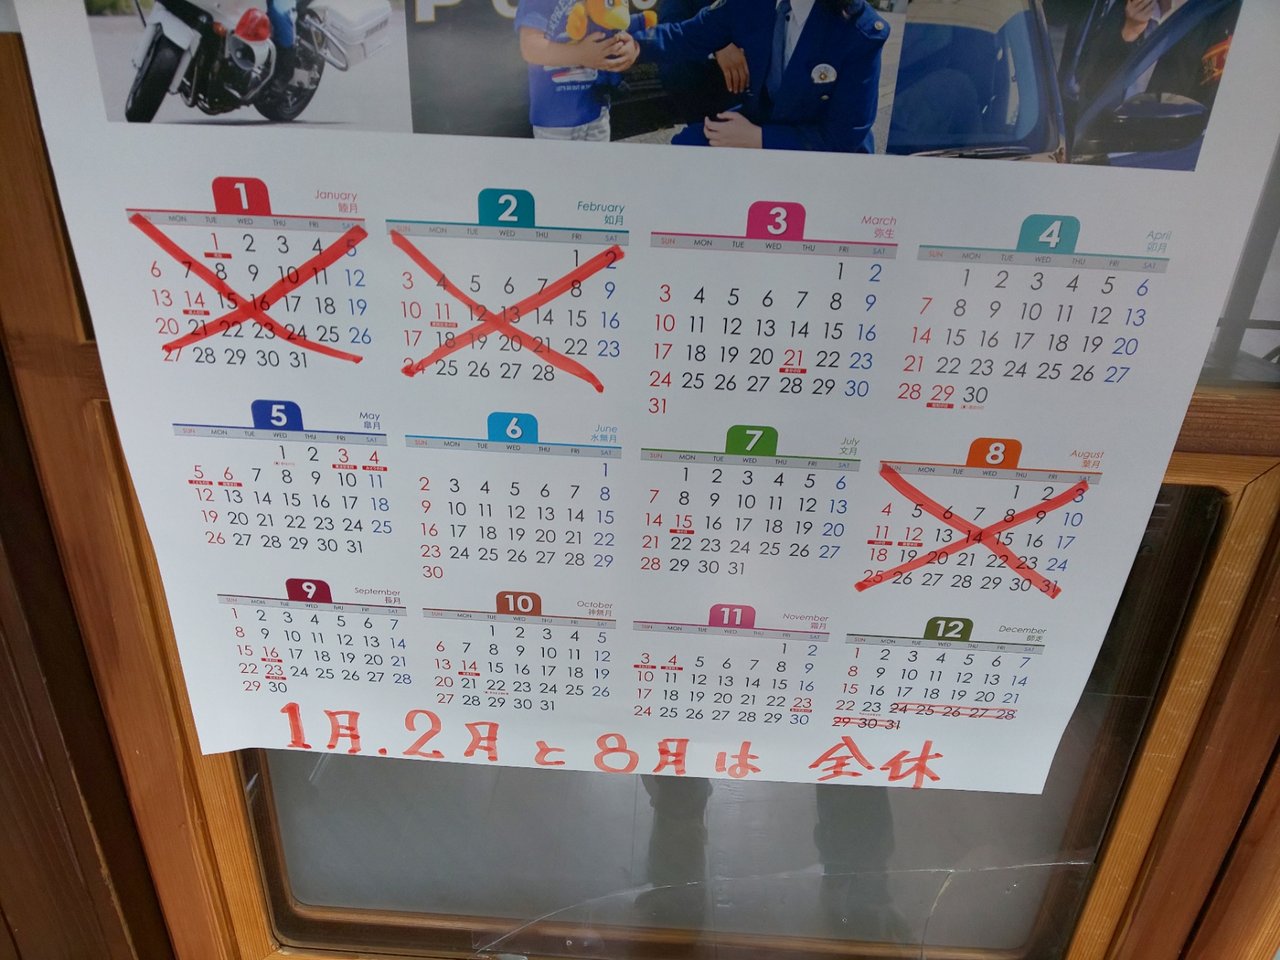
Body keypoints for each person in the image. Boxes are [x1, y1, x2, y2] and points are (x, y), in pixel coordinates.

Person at [627, 0, 889, 152]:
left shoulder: (858, 31)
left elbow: (842, 138)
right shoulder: (750, 4)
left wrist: (759, 139)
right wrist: (632, 45)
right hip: (763, 122)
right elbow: (687, 35)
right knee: (687, 148)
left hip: (820, 154)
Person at [515, 0, 653, 141]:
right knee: (558, 157)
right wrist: (581, 55)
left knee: (596, 156)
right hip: (555, 118)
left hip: (597, 109)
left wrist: (629, 48)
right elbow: (530, 49)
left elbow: (614, 22)